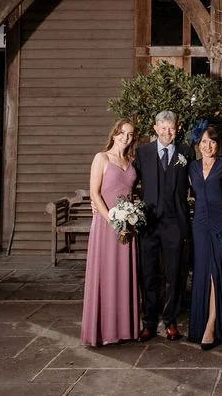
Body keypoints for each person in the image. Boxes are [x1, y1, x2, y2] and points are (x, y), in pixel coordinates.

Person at [81, 119, 140, 346]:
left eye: (130, 134)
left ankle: (125, 329)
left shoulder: (131, 161)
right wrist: (112, 220)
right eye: (123, 133)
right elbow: (94, 193)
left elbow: (131, 191)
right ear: (114, 134)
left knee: (124, 274)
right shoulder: (101, 158)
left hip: (128, 223)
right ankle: (103, 331)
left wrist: (132, 215)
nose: (126, 138)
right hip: (107, 225)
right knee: (105, 274)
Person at [136, 110, 193, 342]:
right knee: (148, 274)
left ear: (177, 129)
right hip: (149, 223)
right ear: (155, 128)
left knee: (174, 274)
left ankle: (170, 321)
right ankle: (149, 322)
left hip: (175, 223)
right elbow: (127, 181)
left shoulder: (186, 152)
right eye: (163, 127)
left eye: (171, 127)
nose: (167, 132)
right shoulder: (143, 153)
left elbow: (196, 180)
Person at [187, 123, 222, 349]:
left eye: (211, 141)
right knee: (203, 272)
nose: (208, 146)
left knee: (217, 272)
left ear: (217, 144)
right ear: (197, 145)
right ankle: (203, 325)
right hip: (199, 225)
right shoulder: (191, 168)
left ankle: (212, 325)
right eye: (203, 142)